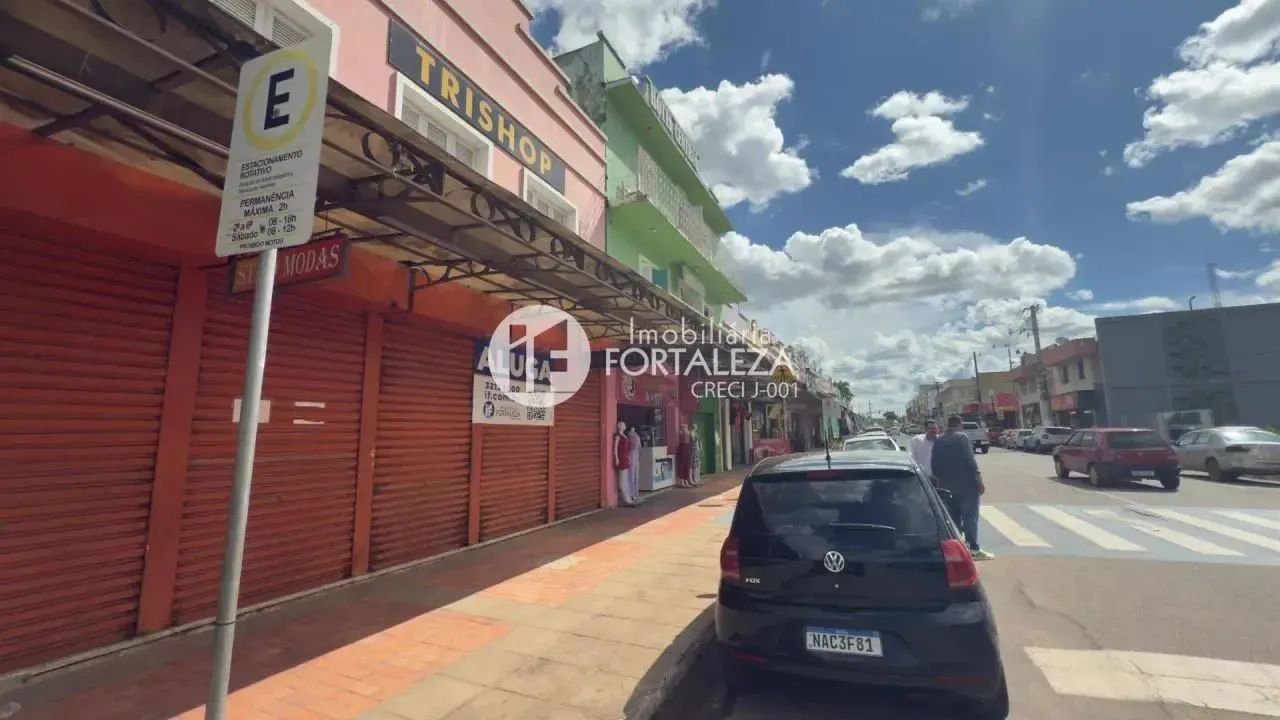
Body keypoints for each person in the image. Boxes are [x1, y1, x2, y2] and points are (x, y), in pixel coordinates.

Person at [931, 416, 993, 560]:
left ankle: (957, 549)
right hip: (966, 486)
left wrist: (940, 482)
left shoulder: (939, 440)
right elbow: (970, 460)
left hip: (946, 486)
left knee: (953, 519)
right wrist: (979, 479)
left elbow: (934, 463)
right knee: (970, 517)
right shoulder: (961, 438)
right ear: (959, 425)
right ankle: (974, 549)